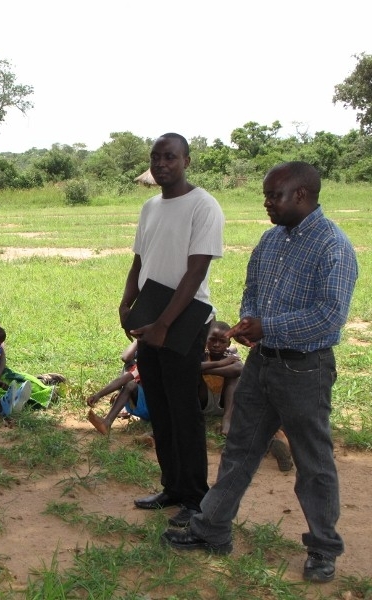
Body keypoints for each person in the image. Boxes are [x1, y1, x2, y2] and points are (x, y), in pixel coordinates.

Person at [162, 162, 358, 583]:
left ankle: (324, 548)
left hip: (305, 369)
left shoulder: (333, 246)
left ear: (301, 195)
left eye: (274, 195)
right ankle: (213, 529)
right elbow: (252, 290)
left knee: (313, 462)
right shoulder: (271, 240)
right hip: (261, 364)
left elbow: (329, 315)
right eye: (266, 195)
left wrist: (270, 326)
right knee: (240, 449)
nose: (267, 203)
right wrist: (251, 321)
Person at [119, 133, 224, 529]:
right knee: (160, 407)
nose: (161, 164)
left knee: (183, 411)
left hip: (184, 319)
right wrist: (126, 303)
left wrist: (165, 324)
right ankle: (173, 488)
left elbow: (196, 271)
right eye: (156, 157)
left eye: (170, 157)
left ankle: (196, 498)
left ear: (186, 161)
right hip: (151, 314)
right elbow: (139, 262)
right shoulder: (150, 207)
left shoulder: (203, 205)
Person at [86, 341, 149, 436]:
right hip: (147, 408)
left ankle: (108, 422)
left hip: (159, 411)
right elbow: (122, 379)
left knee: (130, 384)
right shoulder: (145, 363)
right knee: (130, 383)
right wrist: (98, 395)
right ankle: (106, 423)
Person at [199, 321, 243, 434]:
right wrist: (221, 363)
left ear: (228, 344)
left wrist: (204, 370)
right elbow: (192, 366)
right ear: (206, 339)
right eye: (212, 340)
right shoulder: (202, 354)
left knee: (233, 376)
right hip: (203, 402)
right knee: (195, 375)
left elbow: (239, 368)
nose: (216, 344)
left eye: (222, 341)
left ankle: (227, 419)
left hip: (224, 404)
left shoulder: (230, 356)